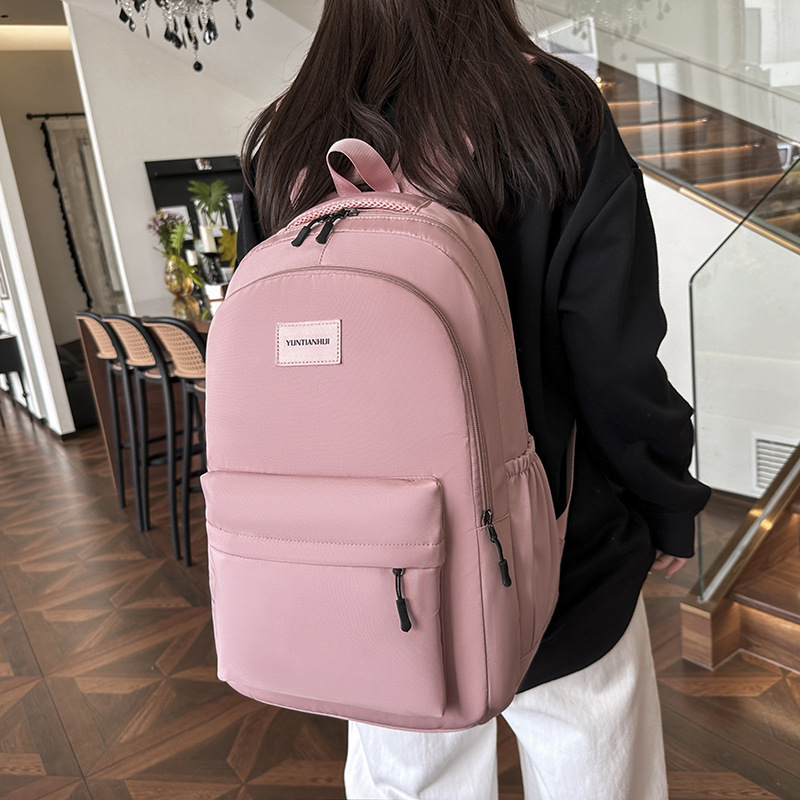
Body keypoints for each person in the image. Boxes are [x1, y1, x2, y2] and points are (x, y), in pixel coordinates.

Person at [235, 1, 711, 797]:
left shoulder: (288, 138)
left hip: (380, 567)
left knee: (410, 781)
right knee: (595, 767)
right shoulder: (554, 110)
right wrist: (668, 501)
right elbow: (615, 360)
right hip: (563, 552)